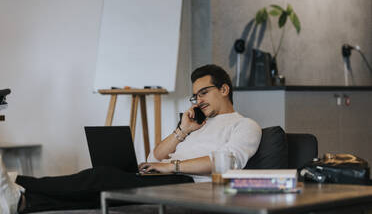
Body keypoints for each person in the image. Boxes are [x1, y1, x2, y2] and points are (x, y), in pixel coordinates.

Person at [0, 64, 261, 213]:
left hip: (191, 186)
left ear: (224, 89)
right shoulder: (196, 125)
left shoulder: (245, 125)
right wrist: (182, 130)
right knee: (98, 194)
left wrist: (171, 166)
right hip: (167, 177)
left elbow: (228, 161)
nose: (199, 100)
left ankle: (18, 182)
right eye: (196, 96)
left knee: (100, 176)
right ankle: (25, 202)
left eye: (204, 92)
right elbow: (154, 157)